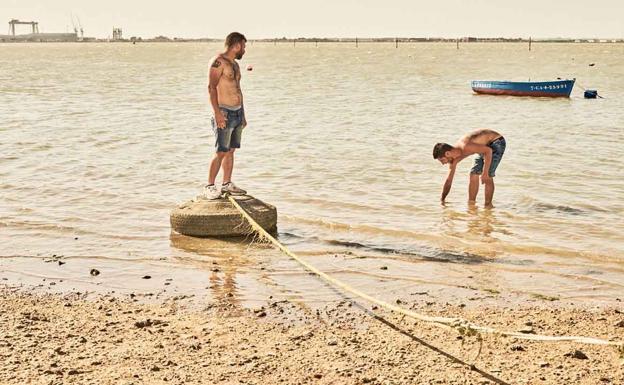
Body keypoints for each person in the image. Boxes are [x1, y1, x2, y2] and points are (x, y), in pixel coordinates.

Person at [201, 32, 248, 199]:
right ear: (236, 46)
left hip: (237, 112)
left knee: (231, 150)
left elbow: (238, 89)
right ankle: (209, 186)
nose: (244, 49)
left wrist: (243, 114)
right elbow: (211, 88)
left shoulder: (235, 65)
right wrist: (217, 113)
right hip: (224, 112)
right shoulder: (218, 62)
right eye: (243, 46)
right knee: (221, 150)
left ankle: (227, 183)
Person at [432, 129, 506, 207]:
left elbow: (488, 151)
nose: (443, 163)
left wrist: (485, 172)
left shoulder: (465, 146)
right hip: (482, 146)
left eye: (442, 160)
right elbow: (448, 181)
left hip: (496, 141)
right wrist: (442, 200)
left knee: (488, 175)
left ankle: (488, 205)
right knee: (473, 173)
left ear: (447, 153)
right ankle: (472, 204)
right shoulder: (454, 160)